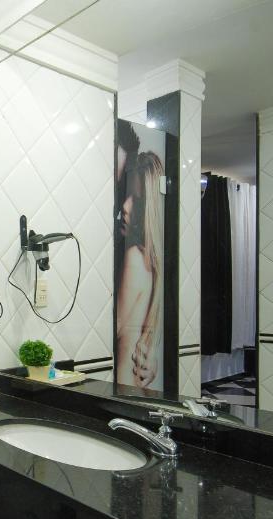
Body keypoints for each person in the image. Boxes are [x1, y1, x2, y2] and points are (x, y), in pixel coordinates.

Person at [115, 151, 165, 389]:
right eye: (124, 195)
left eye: (135, 199)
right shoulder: (148, 259)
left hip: (122, 386)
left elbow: (111, 329)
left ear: (149, 208)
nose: (125, 206)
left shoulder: (135, 257)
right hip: (133, 386)